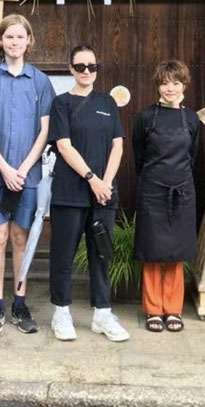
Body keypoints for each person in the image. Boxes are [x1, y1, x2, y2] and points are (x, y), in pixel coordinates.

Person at [0, 14, 55, 335]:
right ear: (0, 41)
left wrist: (22, 168)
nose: (14, 42)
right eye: (8, 37)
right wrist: (5, 168)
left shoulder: (39, 82)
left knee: (21, 236)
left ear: (28, 41)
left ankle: (19, 302)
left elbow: (45, 130)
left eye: (20, 37)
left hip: (28, 175)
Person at [48, 45, 129, 343]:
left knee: (101, 254)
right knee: (63, 255)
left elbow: (117, 145)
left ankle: (102, 314)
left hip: (104, 195)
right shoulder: (61, 103)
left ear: (97, 68)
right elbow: (64, 146)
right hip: (70, 192)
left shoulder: (107, 102)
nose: (85, 71)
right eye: (79, 66)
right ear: (70, 69)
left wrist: (105, 182)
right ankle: (61, 312)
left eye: (91, 66)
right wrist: (92, 179)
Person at [132, 60, 200, 333]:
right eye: (164, 82)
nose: (169, 88)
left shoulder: (192, 119)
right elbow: (139, 156)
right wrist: (154, 180)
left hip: (182, 190)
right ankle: (152, 309)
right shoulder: (146, 117)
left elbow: (192, 156)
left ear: (184, 85)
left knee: (176, 252)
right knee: (152, 251)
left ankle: (173, 308)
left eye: (175, 82)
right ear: (157, 85)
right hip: (152, 190)